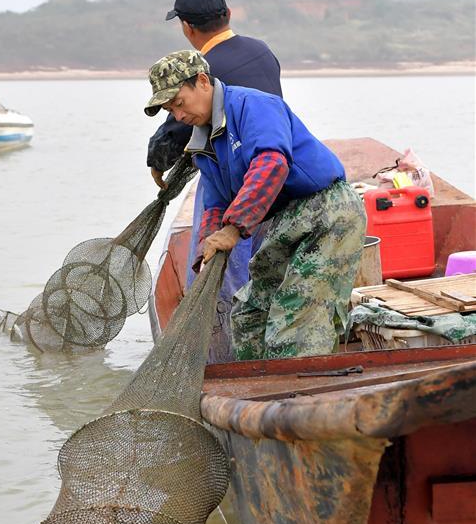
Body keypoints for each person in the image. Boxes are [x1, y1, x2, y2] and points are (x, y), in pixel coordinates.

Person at [144, 51, 366, 361]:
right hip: (286, 218)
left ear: (203, 82)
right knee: (250, 315)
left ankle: (299, 395)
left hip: (327, 211)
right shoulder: (202, 143)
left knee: (295, 320)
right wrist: (204, 252)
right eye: (171, 110)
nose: (178, 116)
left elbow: (272, 163)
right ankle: (256, 388)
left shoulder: (253, 105)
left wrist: (233, 229)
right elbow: (216, 202)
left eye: (179, 103)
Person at [147, 0, 283, 359]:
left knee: (221, 272)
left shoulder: (204, 69)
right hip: (267, 182)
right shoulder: (261, 51)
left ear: (188, 28)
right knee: (262, 260)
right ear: (228, 14)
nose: (177, 110)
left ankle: (222, 357)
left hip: (230, 174)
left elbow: (179, 126)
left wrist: (157, 160)